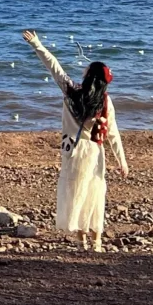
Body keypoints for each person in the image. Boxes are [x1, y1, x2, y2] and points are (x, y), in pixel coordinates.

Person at [21, 29, 129, 253]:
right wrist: (122, 161)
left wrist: (37, 44)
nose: (84, 69)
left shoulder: (72, 91)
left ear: (90, 76)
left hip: (72, 149)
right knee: (94, 194)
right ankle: (96, 242)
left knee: (75, 192)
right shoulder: (105, 102)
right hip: (94, 152)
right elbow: (113, 133)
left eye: (87, 68)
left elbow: (54, 67)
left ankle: (82, 241)